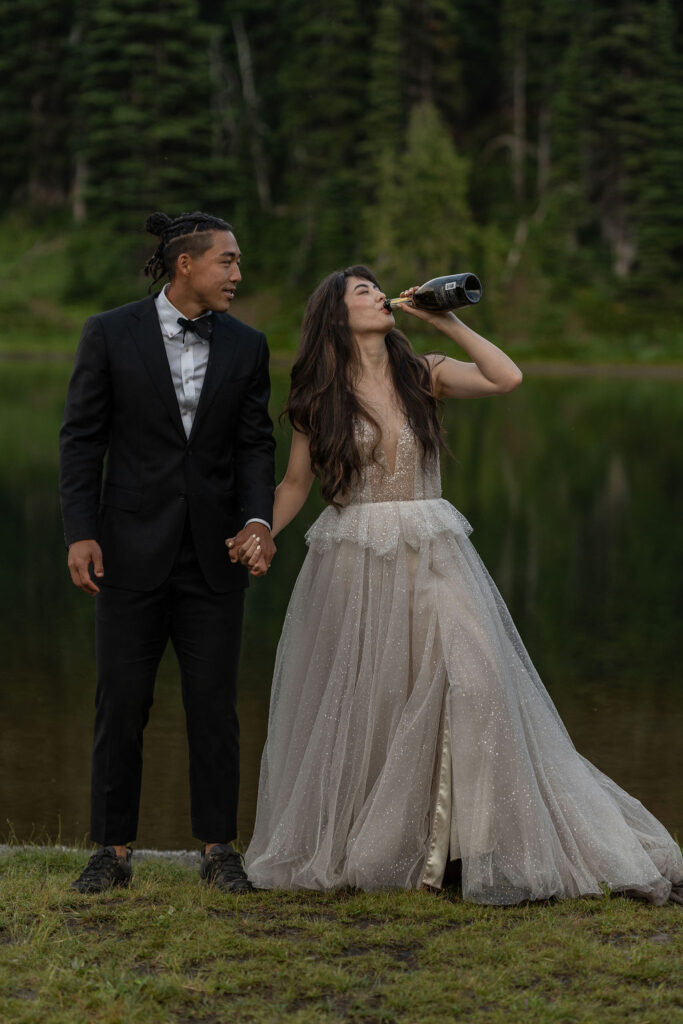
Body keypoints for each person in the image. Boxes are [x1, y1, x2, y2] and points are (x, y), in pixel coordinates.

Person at [241, 265, 683, 905]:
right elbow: (295, 485)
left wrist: (443, 318)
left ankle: (473, 842)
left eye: (376, 288)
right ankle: (417, 850)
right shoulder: (317, 393)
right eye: (361, 291)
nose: (378, 295)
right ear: (335, 316)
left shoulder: (423, 372)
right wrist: (264, 532)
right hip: (355, 558)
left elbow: (507, 378)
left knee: (477, 678)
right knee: (380, 699)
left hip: (434, 552)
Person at [59, 211, 276, 894]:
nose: (237, 274)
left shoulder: (248, 346)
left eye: (237, 263)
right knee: (120, 702)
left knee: (214, 706)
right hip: (125, 551)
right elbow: (81, 439)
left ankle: (219, 849)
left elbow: (254, 446)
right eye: (227, 261)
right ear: (185, 264)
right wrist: (80, 531)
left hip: (215, 557)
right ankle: (111, 850)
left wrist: (256, 520)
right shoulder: (109, 332)